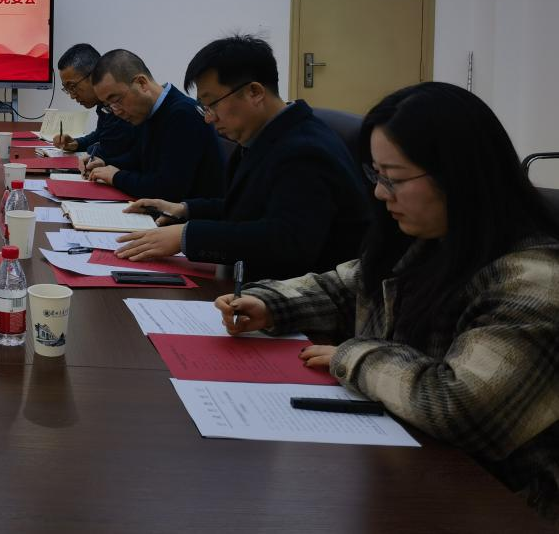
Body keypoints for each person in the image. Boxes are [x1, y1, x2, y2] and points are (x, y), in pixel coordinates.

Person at [215, 82, 559, 521]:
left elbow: (461, 407)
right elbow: (345, 286)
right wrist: (269, 303)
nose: (380, 193)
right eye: (375, 175)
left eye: (394, 178)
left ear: (459, 176)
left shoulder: (534, 280)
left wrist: (354, 356)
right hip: (409, 469)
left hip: (498, 505)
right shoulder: (433, 239)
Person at [115, 34, 369, 280]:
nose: (208, 117)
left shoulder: (305, 151)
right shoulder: (266, 135)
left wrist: (187, 237)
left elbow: (285, 240)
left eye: (212, 104)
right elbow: (247, 209)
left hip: (295, 296)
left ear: (254, 92)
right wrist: (184, 209)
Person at [82, 49, 225, 202]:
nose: (116, 112)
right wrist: (105, 163)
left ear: (142, 83)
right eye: (108, 106)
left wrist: (116, 177)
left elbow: (167, 189)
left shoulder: (183, 114)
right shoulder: (149, 112)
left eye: (116, 100)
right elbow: (137, 158)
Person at [50, 43, 138, 164]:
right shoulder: (102, 104)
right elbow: (101, 134)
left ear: (94, 75)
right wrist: (77, 143)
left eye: (73, 86)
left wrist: (91, 149)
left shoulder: (119, 104)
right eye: (67, 89)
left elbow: (109, 149)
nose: (72, 96)